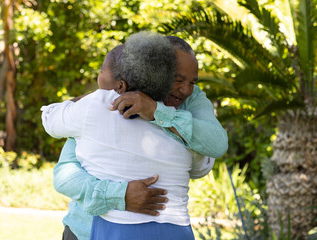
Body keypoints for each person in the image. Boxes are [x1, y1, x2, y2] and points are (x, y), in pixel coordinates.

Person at [47, 35, 228, 240]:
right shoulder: (104, 105)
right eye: (178, 79)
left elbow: (213, 148)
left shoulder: (191, 100)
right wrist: (120, 194)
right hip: (84, 231)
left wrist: (156, 111)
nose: (186, 89)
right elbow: (65, 174)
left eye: (192, 82)